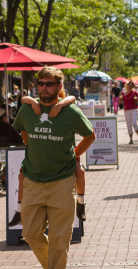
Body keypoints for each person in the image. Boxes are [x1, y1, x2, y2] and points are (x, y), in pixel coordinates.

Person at [13, 66, 95, 269]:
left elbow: (89, 136)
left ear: (59, 87)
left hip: (62, 182)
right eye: (41, 83)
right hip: (33, 180)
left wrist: (75, 155)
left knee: (60, 239)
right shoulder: (27, 110)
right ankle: (50, 268)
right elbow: (25, 134)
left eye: (49, 84)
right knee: (30, 233)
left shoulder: (71, 112)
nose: (44, 88)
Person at [19, 91, 87, 222]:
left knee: (80, 172)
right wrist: (33, 102)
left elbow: (72, 97)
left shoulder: (64, 103)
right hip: (40, 156)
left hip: (64, 153)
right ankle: (18, 209)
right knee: (21, 175)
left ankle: (81, 202)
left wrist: (60, 105)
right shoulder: (38, 102)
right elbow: (23, 99)